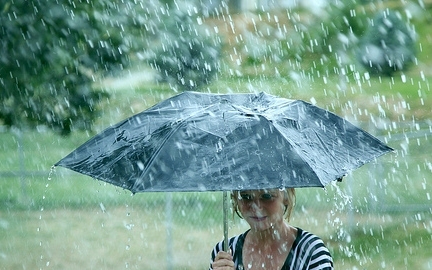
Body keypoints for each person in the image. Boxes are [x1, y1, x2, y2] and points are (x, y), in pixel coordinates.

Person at [209, 188, 333, 270]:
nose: (256, 206)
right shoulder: (225, 252)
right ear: (235, 199)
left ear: (286, 197)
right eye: (246, 196)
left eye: (267, 196)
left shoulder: (310, 251)